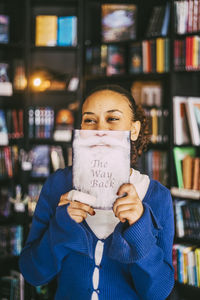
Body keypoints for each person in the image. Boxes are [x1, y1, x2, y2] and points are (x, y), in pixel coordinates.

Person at [19, 85, 175, 300]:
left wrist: (139, 226)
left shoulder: (158, 197)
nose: (100, 130)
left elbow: (158, 292)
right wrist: (61, 225)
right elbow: (33, 273)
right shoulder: (57, 186)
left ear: (134, 129)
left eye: (112, 119)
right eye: (89, 120)